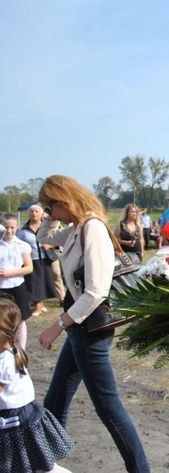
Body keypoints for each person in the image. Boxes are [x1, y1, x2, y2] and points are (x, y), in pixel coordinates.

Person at [37, 175, 151, 472]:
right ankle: (44, 461)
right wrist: (48, 218)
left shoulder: (93, 228)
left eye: (50, 207)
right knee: (57, 397)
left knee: (108, 407)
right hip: (79, 328)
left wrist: (57, 325)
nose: (49, 214)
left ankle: (141, 470)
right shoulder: (75, 228)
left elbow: (96, 291)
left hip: (90, 330)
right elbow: (44, 239)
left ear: (64, 200)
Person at [0, 297, 74, 473]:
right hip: (26, 414)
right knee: (38, 464)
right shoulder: (13, 349)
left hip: (16, 420)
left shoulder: (4, 361)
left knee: (25, 464)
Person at [17, 205, 58, 316]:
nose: (34, 214)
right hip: (31, 259)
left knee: (44, 282)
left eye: (36, 211)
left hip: (46, 258)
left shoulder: (46, 227)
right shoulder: (23, 230)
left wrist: (49, 245)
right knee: (34, 283)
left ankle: (42, 304)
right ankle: (37, 307)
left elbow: (57, 239)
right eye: (31, 212)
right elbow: (19, 243)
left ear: (41, 214)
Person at [0, 213, 33, 349]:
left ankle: (21, 349)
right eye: (6, 227)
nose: (9, 230)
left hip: (17, 285)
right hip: (1, 287)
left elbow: (29, 268)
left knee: (21, 319)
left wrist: (10, 273)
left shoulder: (22, 245)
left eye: (12, 227)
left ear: (17, 227)